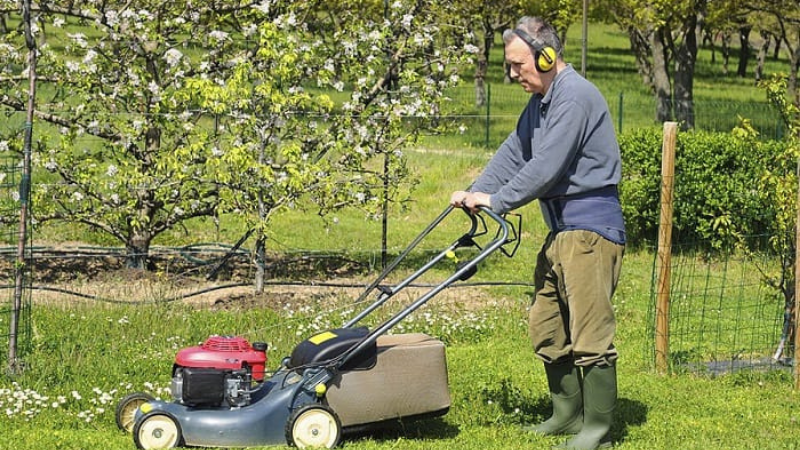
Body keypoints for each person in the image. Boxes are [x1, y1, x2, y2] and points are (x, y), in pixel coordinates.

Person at [450, 16, 625, 450]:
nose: (512, 75)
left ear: (547, 57)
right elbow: (515, 153)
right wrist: (475, 191)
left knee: (590, 333)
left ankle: (598, 430)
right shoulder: (542, 103)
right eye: (508, 66)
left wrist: (498, 201)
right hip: (560, 233)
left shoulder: (575, 98)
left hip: (589, 230)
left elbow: (546, 168)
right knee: (547, 325)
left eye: (517, 65)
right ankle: (566, 414)